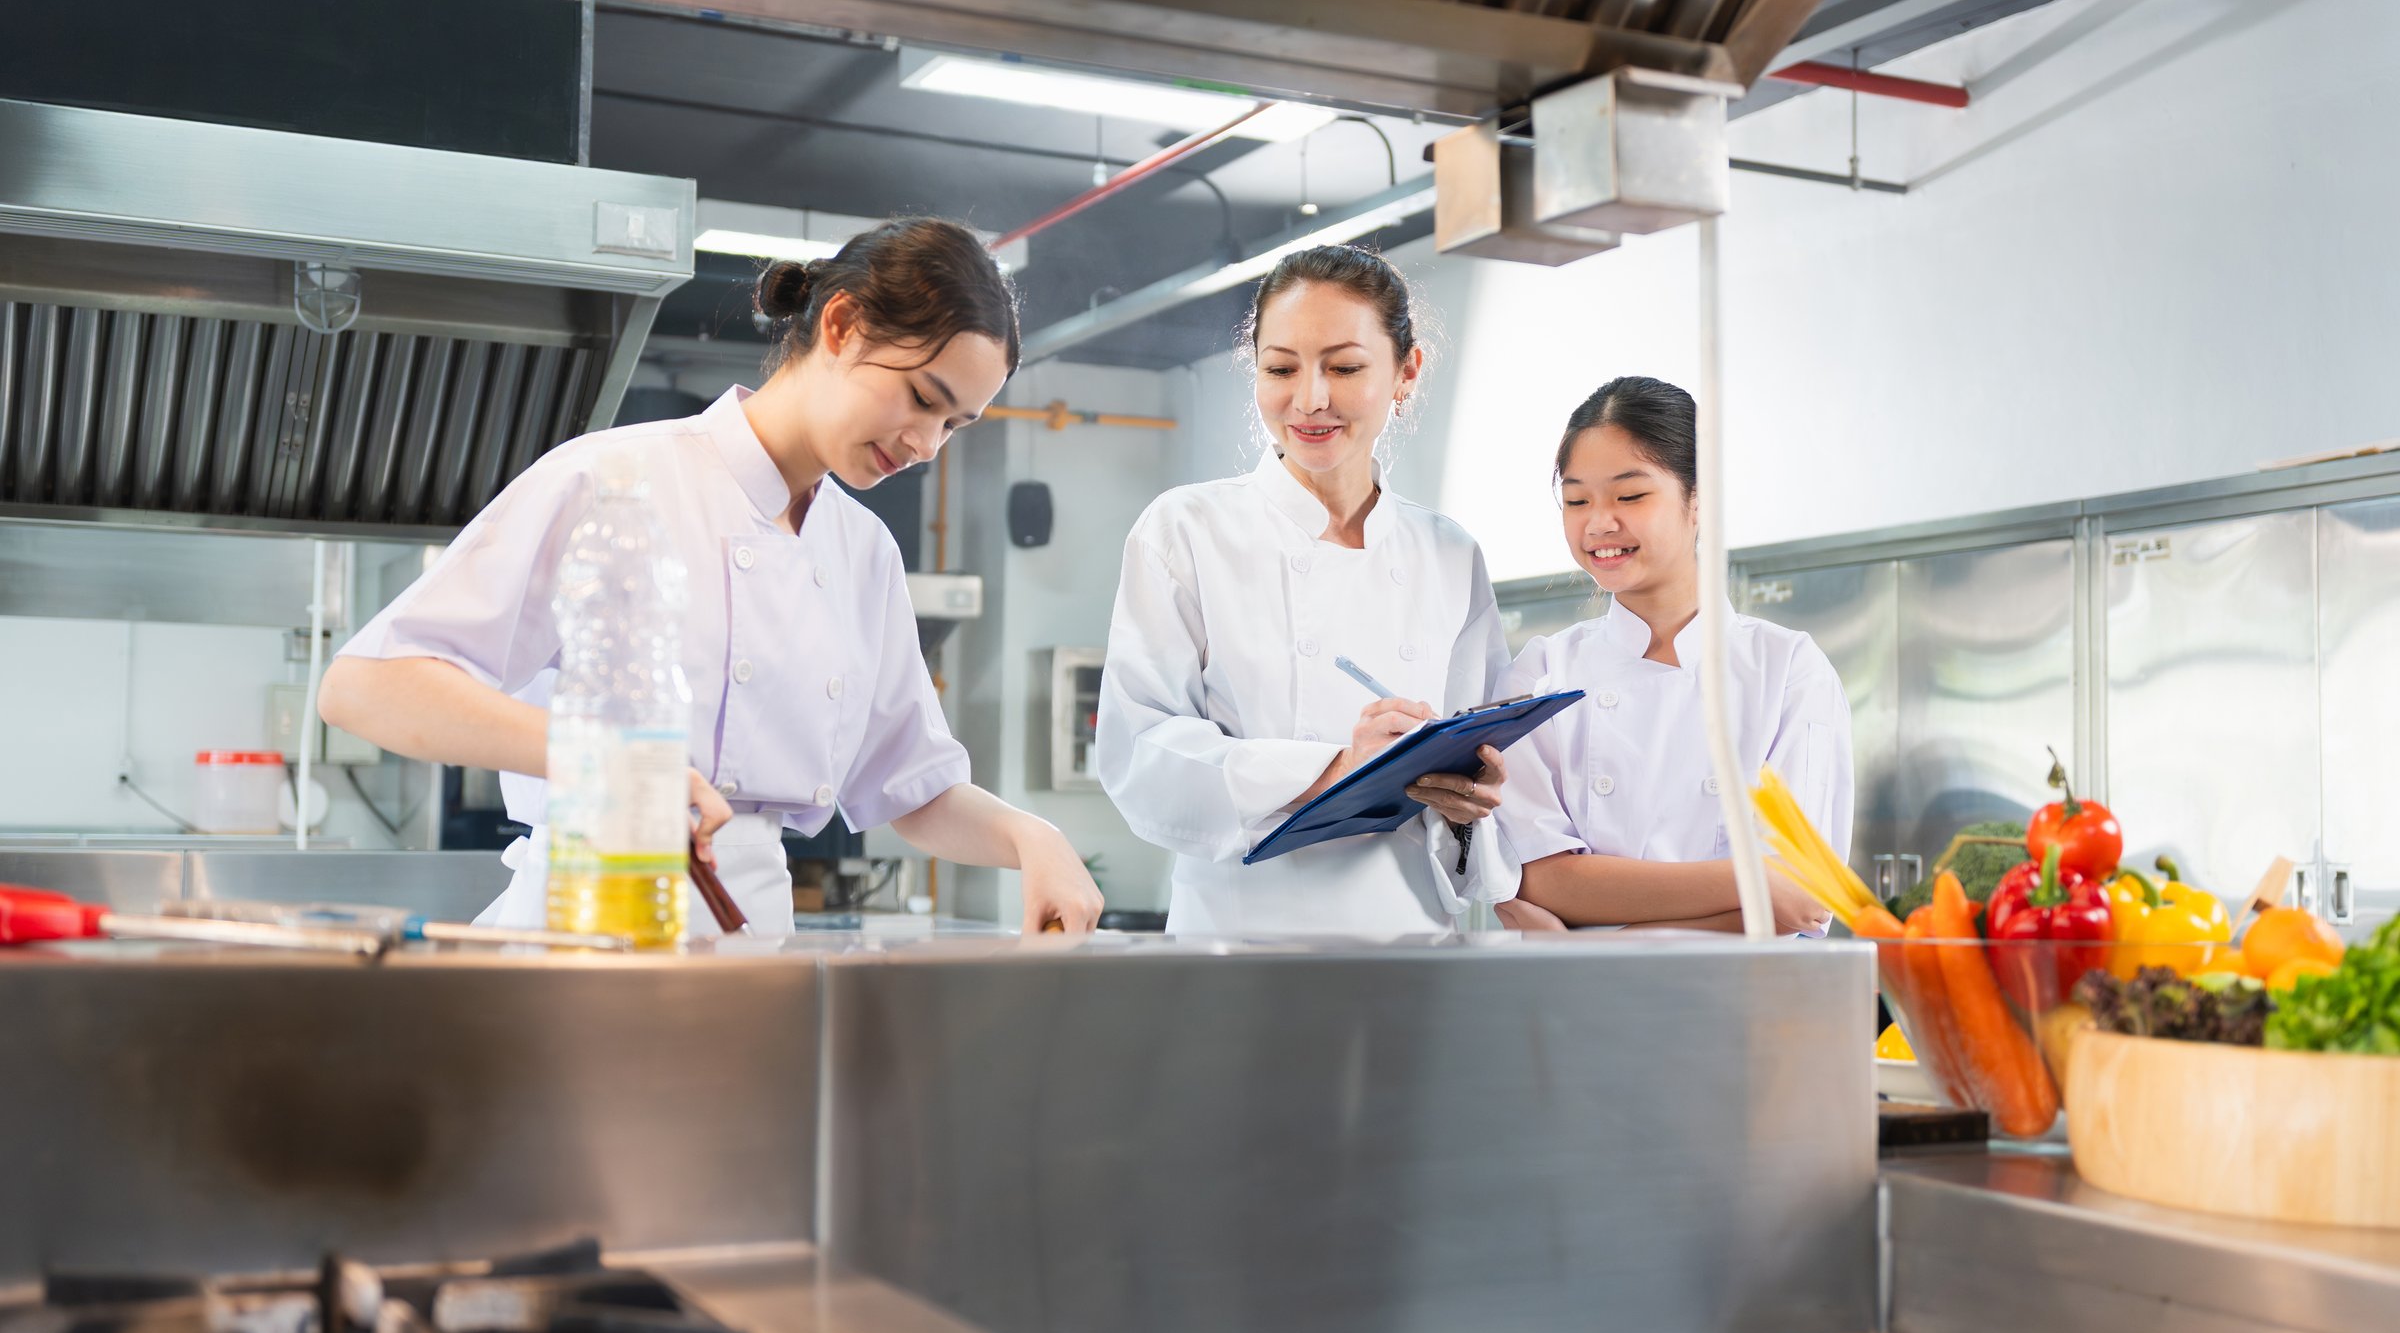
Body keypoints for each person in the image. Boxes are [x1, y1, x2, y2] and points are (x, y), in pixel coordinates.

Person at [320, 217, 1102, 937]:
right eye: (923, 399)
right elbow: (367, 686)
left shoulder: (864, 553)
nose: (928, 443)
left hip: (752, 945)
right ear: (841, 325)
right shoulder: (615, 480)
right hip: (586, 920)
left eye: (954, 425)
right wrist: (614, 761)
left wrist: (1033, 837)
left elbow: (911, 787)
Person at [1096, 245, 1513, 937]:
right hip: (1239, 942)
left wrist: (1469, 788)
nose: (1309, 399)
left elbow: (1486, 761)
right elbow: (1142, 751)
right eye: (1281, 368)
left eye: (1345, 367)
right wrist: (1338, 768)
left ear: (1406, 371)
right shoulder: (1187, 530)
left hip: (1410, 938)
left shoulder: (1448, 553)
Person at [1495, 377, 1852, 934]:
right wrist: (1751, 880)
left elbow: (1802, 902)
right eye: (1576, 499)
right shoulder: (1540, 674)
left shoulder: (1786, 670)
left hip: (1744, 1010)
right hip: (1578, 1015)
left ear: (1698, 500)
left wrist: (1598, 941)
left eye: (1630, 495)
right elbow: (1539, 879)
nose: (1598, 522)